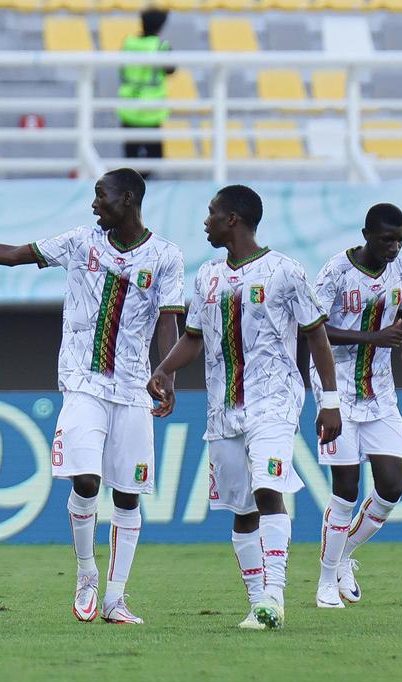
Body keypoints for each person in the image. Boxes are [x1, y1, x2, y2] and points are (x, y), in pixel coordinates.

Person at [0, 168, 184, 625]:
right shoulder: (80, 242)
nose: (94, 205)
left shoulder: (167, 257)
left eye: (100, 196)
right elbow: (14, 255)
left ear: (127, 199)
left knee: (128, 496)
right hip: (82, 381)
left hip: (132, 387)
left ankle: (116, 598)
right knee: (86, 479)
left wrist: (165, 372)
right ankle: (86, 574)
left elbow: (169, 317)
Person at [147, 184, 342, 631]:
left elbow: (316, 335)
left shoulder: (285, 271)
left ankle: (275, 593)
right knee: (241, 507)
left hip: (273, 400)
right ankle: (258, 605)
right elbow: (193, 337)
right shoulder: (207, 276)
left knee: (269, 489)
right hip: (222, 407)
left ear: (233, 219)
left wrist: (328, 401)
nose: (206, 220)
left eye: (212, 212)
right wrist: (163, 370)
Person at [311, 203, 402, 609]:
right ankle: (326, 582)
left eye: (400, 240)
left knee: (392, 488)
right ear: (366, 234)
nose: (394, 247)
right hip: (336, 390)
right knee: (346, 488)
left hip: (380, 392)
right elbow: (315, 329)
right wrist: (371, 339)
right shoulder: (335, 273)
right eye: (386, 240)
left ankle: (342, 556)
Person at [118, 9, 176, 166]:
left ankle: (134, 187)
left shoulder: (128, 43)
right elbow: (171, 70)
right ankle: (142, 183)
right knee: (155, 157)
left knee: (130, 158)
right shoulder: (161, 46)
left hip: (128, 107)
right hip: (150, 112)